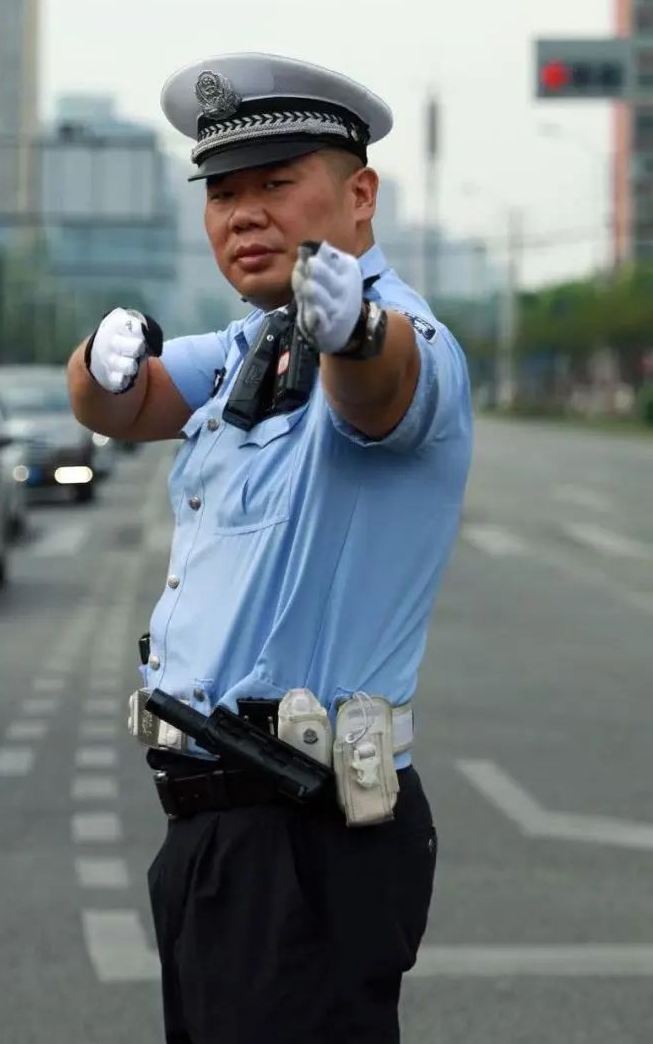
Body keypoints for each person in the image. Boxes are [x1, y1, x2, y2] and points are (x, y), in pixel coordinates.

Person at [66, 53, 473, 1043]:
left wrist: (356, 332)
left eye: (276, 184)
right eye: (223, 193)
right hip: (216, 829)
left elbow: (380, 386)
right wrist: (96, 364)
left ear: (359, 195)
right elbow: (128, 404)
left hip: (308, 831)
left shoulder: (404, 336)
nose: (244, 215)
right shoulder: (253, 342)